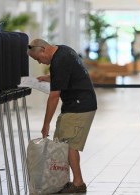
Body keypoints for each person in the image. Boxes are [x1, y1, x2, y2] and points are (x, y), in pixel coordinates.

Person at [27, 39, 97, 193]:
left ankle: (78, 183)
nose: (39, 63)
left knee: (69, 145)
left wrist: (46, 124)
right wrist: (48, 77)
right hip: (78, 104)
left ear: (44, 50)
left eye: (38, 59)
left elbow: (54, 97)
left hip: (79, 106)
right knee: (64, 144)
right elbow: (67, 74)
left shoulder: (59, 60)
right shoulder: (63, 51)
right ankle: (65, 181)